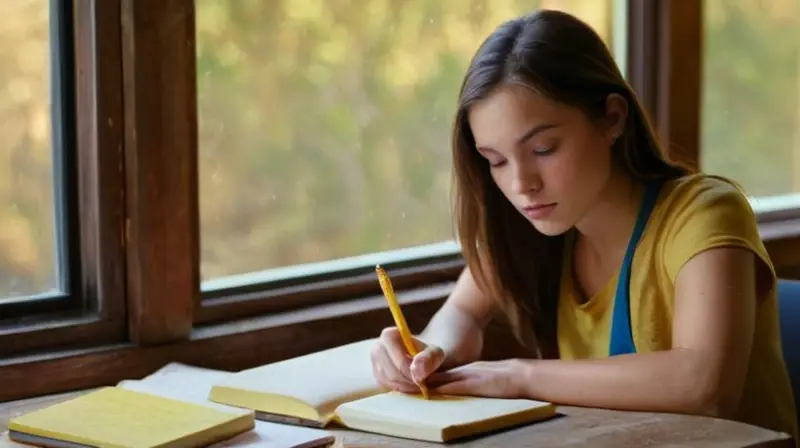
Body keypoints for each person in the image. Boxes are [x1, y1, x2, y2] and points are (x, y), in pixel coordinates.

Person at [368, 8, 798, 439]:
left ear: (612, 118)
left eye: (543, 148)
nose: (521, 184)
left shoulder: (703, 213)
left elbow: (704, 384)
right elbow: (462, 311)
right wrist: (431, 350)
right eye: (495, 160)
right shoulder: (539, 229)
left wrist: (522, 377)